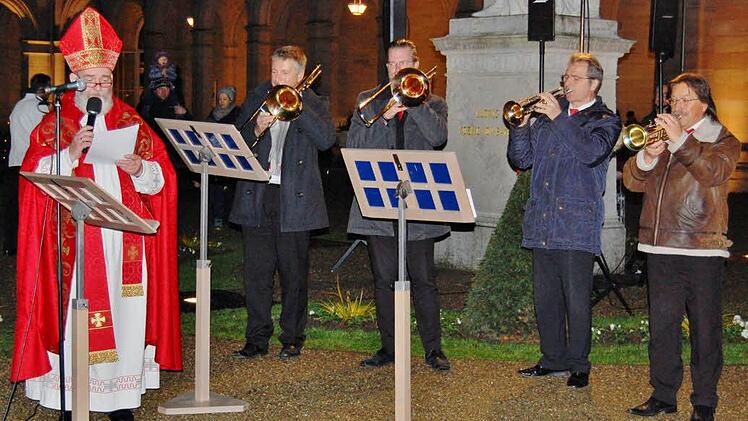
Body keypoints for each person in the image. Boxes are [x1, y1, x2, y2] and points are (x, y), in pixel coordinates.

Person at [10, 8, 182, 420]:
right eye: (91, 81)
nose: (99, 86)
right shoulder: (55, 123)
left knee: (126, 318)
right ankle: (74, 399)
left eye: (105, 80)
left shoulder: (131, 120)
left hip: (124, 241)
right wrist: (69, 153)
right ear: (76, 82)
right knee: (76, 319)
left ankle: (120, 399)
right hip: (75, 240)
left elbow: (164, 180)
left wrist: (141, 169)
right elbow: (34, 177)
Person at [624, 73, 740, 421]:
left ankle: (704, 401)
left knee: (705, 329)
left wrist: (680, 143)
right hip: (660, 247)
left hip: (703, 248)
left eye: (684, 99)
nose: (676, 106)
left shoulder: (722, 139)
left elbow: (714, 174)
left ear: (704, 102)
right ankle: (663, 395)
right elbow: (631, 180)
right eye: (672, 99)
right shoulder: (664, 139)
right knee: (662, 328)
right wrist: (646, 156)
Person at [507, 52, 621, 388]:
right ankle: (553, 358)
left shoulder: (605, 120)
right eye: (565, 77)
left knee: (576, 298)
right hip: (542, 218)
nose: (565, 83)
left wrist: (560, 118)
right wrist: (520, 127)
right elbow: (521, 160)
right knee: (545, 298)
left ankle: (579, 364)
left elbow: (590, 153)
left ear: (594, 83)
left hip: (576, 221)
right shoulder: (543, 119)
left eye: (573, 78)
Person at [346, 39, 451, 371]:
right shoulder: (368, 101)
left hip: (420, 203)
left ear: (416, 65)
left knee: (423, 279)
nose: (396, 69)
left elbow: (438, 138)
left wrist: (414, 105)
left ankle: (433, 349)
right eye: (391, 64)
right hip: (379, 204)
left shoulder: (434, 103)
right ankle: (390, 348)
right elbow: (353, 145)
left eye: (403, 63)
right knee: (384, 278)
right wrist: (383, 119)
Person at [229, 45, 335, 360]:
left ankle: (292, 337)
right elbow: (236, 138)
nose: (277, 78)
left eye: (284, 73)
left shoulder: (314, 103)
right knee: (257, 273)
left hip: (295, 199)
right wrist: (257, 129)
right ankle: (256, 338)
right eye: (274, 71)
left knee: (293, 274)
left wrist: (297, 109)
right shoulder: (258, 96)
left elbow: (326, 140)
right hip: (259, 194)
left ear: (301, 75)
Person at [6, 73, 51, 255]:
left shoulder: (18, 106)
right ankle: (30, 245)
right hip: (31, 163)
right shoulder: (40, 107)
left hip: (15, 161)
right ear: (43, 89)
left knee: (13, 207)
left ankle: (11, 244)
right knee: (31, 208)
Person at [205, 86, 241, 228]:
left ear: (230, 100)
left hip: (229, 154)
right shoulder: (213, 113)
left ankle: (229, 216)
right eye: (220, 98)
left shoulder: (237, 113)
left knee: (229, 189)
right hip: (214, 154)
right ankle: (217, 215)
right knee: (216, 188)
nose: (221, 101)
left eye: (225, 99)